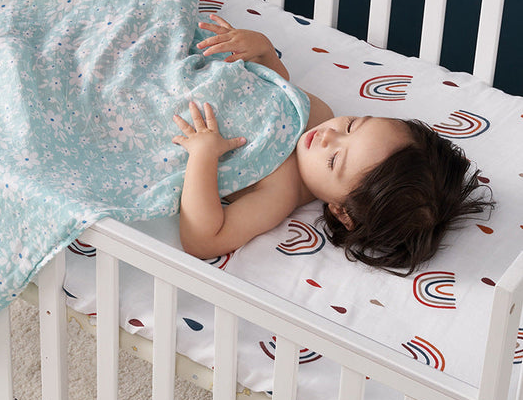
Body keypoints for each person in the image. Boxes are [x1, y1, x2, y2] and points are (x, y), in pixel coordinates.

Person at [172, 14, 493, 274]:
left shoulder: (278, 193)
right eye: (352, 125)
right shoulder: (319, 115)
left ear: (342, 212)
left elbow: (203, 240)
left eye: (334, 160)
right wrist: (262, 51)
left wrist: (203, 155)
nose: (328, 135)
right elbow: (278, 89)